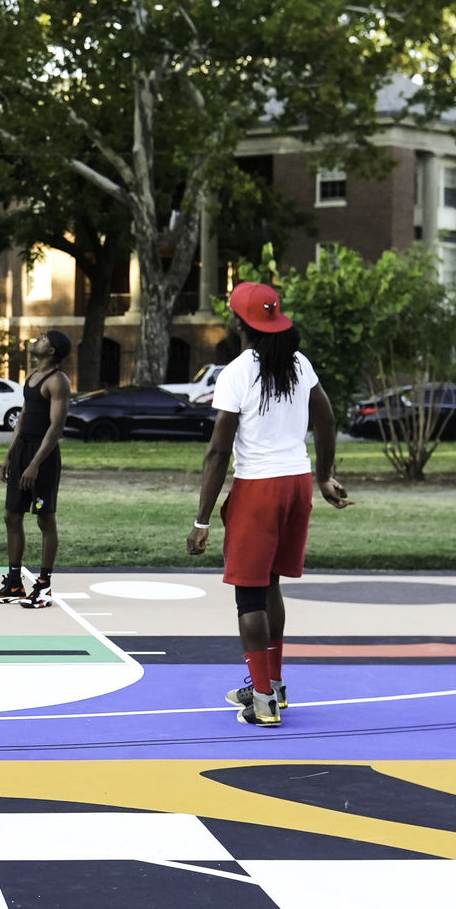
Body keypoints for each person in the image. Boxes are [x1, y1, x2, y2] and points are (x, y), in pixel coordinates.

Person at [188, 280, 353, 727]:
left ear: (239, 323)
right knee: (271, 584)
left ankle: (262, 701)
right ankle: (273, 684)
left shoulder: (237, 372)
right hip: (297, 484)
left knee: (248, 595)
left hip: (260, 489)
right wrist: (324, 474)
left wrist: (202, 519)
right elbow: (327, 417)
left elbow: (218, 452)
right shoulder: (298, 362)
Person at [0, 331, 72, 608]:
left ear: (52, 350)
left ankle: (43, 586)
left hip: (43, 457)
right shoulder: (32, 376)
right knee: (12, 516)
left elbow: (56, 428)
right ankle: (14, 584)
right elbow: (22, 417)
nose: (38, 339)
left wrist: (35, 464)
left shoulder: (58, 381)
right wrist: (11, 454)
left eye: (44, 338)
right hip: (22, 451)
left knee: (45, 519)